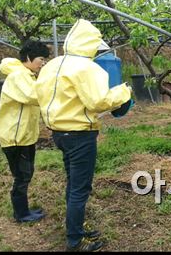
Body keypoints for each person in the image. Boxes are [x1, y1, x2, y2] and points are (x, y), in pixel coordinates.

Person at [35, 19, 132, 252]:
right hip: (80, 135)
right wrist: (123, 92)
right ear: (90, 44)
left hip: (58, 133)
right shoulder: (87, 68)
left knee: (73, 183)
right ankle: (75, 241)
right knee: (80, 188)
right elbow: (98, 101)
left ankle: (75, 227)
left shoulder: (52, 65)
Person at [0, 40, 50, 223]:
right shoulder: (18, 76)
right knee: (22, 175)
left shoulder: (27, 75)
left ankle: (23, 210)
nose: (42, 63)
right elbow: (32, 96)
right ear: (28, 57)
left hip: (24, 136)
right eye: (40, 59)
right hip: (15, 137)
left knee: (25, 174)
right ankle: (21, 214)